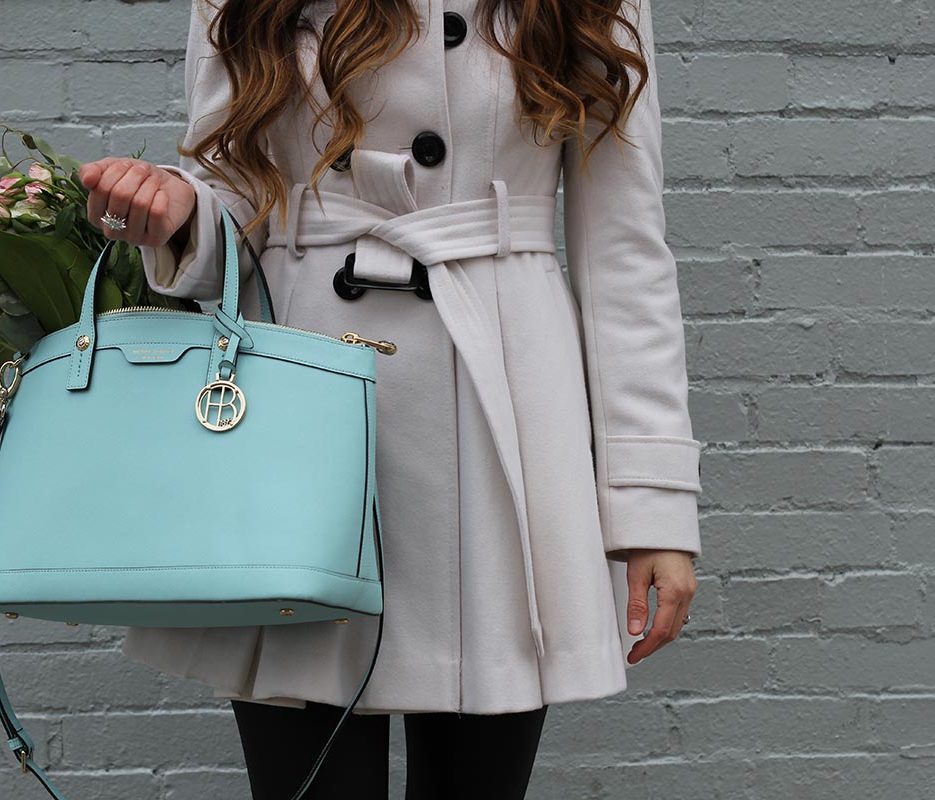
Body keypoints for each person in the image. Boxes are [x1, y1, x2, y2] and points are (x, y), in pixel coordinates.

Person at [78, 0, 701, 797]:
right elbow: (238, 194)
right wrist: (180, 214)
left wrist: (652, 506)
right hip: (304, 409)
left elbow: (626, 255)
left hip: (498, 412)